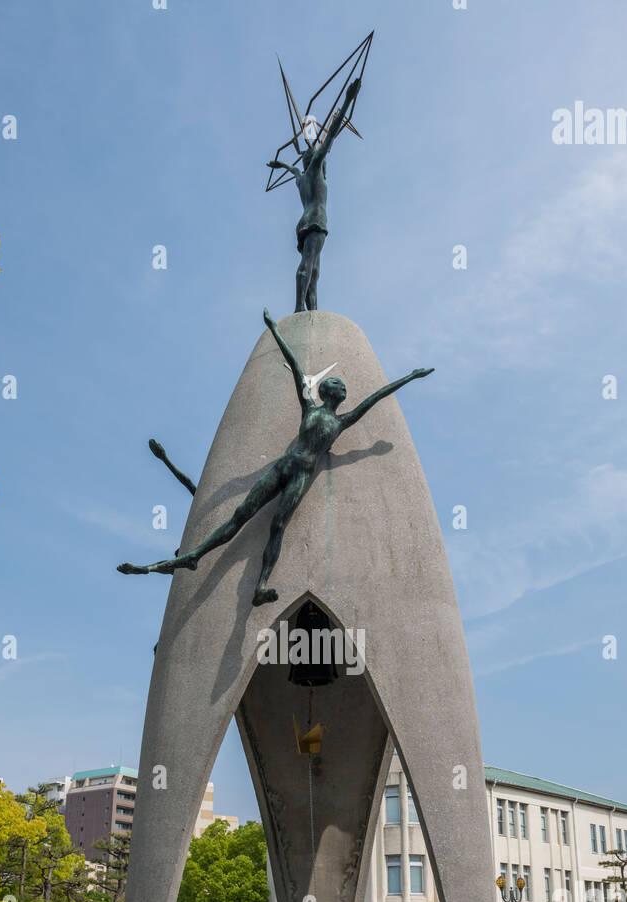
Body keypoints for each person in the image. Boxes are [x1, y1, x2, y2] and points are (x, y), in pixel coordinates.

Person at [118, 308, 433, 606]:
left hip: (301, 473)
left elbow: (376, 397)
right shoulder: (310, 408)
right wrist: (273, 329)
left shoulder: (341, 422)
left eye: (341, 384)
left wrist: (410, 376)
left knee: (278, 524)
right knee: (242, 512)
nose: (340, 385)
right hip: (286, 465)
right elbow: (295, 367)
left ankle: (260, 585)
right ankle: (195, 556)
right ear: (326, 391)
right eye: (336, 382)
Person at [266, 78, 361, 313]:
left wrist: (281, 164)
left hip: (305, 221)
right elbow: (330, 137)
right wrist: (348, 99)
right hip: (317, 219)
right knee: (309, 263)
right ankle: (299, 307)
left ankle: (312, 309)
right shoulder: (316, 166)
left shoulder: (301, 177)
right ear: (316, 158)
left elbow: (293, 169)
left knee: (315, 268)